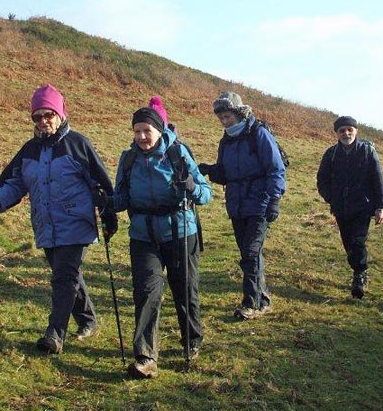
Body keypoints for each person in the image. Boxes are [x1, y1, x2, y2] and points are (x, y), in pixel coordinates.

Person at [0, 84, 118, 354]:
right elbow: (16, 183)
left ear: (61, 114)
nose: (43, 121)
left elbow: (100, 183)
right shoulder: (29, 149)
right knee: (67, 274)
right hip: (46, 225)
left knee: (63, 278)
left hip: (76, 224)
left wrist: (108, 214)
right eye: (37, 116)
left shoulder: (78, 144)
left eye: (48, 115)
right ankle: (88, 321)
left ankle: (55, 334)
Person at [108, 105, 211, 379]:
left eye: (147, 131)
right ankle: (145, 356)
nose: (142, 136)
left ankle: (191, 341)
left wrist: (190, 186)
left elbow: (205, 193)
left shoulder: (178, 153)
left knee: (185, 289)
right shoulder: (128, 159)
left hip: (180, 232)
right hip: (143, 235)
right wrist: (105, 202)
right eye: (137, 131)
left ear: (159, 130)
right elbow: (121, 198)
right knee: (146, 292)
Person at [198, 91, 286, 320]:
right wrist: (210, 170)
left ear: (238, 113)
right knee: (249, 254)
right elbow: (226, 174)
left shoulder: (258, 133)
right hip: (237, 204)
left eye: (227, 116)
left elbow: (275, 168)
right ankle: (263, 297)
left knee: (250, 253)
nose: (225, 121)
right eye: (221, 118)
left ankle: (251, 303)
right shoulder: (226, 141)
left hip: (260, 202)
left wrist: (274, 200)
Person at [316, 116, 383, 299]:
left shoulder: (367, 151)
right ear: (337, 133)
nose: (346, 133)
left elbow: (378, 179)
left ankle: (360, 275)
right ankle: (358, 268)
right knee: (348, 244)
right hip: (340, 208)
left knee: (357, 241)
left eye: (350, 129)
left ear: (356, 131)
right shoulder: (331, 154)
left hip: (363, 207)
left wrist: (380, 206)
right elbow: (322, 180)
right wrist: (331, 198)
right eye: (342, 130)